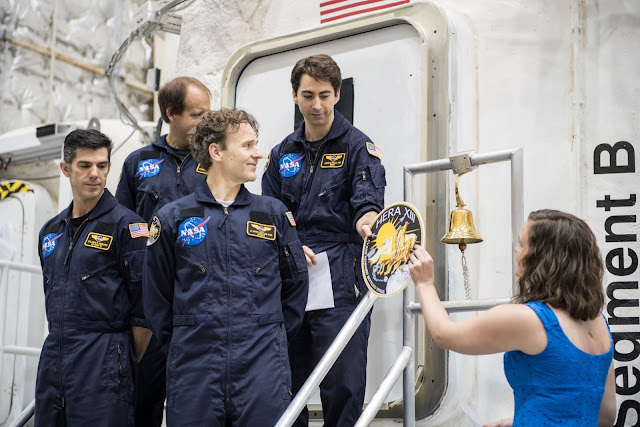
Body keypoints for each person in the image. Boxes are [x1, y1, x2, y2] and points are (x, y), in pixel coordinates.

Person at [143, 108, 309, 426]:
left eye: (256, 144)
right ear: (216, 152)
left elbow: (296, 286)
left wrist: (269, 336)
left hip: (262, 369)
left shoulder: (274, 215)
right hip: (194, 371)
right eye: (247, 145)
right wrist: (188, 339)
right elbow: (155, 298)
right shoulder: (172, 218)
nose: (258, 153)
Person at [262, 54, 386, 426]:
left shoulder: (358, 147)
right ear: (295, 96)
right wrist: (287, 246)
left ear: (337, 95)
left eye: (325, 95)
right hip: (293, 272)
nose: (317, 105)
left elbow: (367, 203)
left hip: (342, 270)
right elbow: (270, 213)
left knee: (342, 378)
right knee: (288, 378)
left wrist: (367, 221)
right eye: (308, 95)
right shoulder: (282, 153)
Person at [408, 209, 617, 427]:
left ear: (542, 258)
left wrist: (425, 283)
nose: (516, 250)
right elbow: (605, 416)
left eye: (522, 244)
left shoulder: (529, 319)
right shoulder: (599, 322)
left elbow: (444, 335)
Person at [36, 129, 151, 426]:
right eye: (85, 165)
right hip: (54, 357)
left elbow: (145, 311)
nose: (95, 174)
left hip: (104, 362)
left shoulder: (129, 227)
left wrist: (119, 358)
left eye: (102, 165)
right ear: (65, 169)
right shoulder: (51, 232)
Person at [115, 75, 210, 426]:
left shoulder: (215, 160)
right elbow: (121, 229)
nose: (206, 122)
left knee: (198, 405)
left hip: (200, 298)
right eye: (198, 115)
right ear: (171, 113)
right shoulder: (138, 162)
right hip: (148, 303)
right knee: (144, 400)